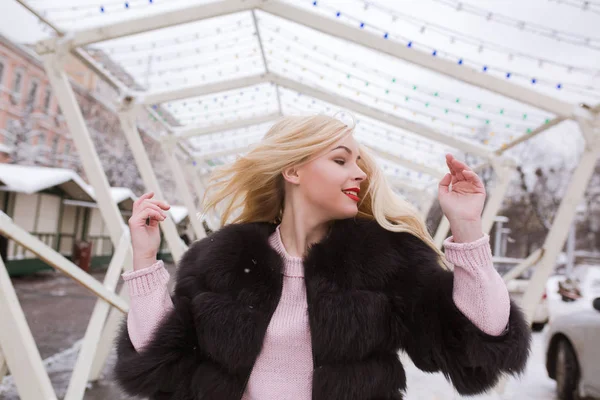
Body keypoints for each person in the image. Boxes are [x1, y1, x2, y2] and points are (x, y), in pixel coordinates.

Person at [114, 114, 531, 400]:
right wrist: (145, 261)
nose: (360, 174)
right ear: (292, 171)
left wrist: (467, 227)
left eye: (360, 163)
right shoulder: (221, 259)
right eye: (340, 160)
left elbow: (482, 341)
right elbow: (158, 362)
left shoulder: (385, 260)